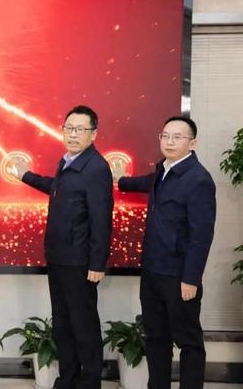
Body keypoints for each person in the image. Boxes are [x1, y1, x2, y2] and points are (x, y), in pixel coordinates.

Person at [11, 105, 113, 389]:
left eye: (80, 129)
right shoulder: (68, 161)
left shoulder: (96, 168)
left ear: (93, 134)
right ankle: (67, 379)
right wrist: (26, 176)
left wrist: (97, 263)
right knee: (63, 324)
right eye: (69, 128)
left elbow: (102, 219)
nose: (73, 134)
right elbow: (57, 187)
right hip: (58, 257)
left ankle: (89, 383)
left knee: (84, 326)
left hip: (79, 262)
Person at [114, 116, 216, 389]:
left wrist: (191, 279)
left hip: (179, 276)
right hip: (152, 271)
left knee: (188, 342)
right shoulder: (164, 171)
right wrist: (120, 180)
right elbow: (146, 182)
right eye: (165, 136)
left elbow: (201, 236)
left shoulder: (198, 180)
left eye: (177, 137)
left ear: (193, 143)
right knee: (156, 338)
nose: (170, 142)